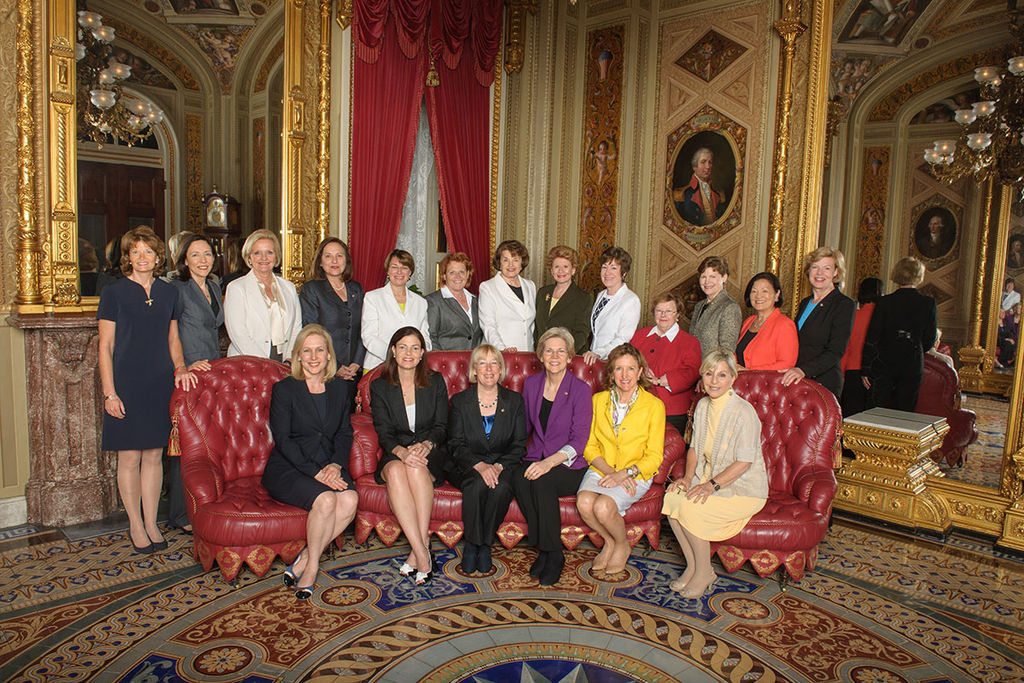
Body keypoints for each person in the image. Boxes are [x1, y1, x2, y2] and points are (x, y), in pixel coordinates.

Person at [97, 226, 199, 554]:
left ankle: (152, 520)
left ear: (158, 257)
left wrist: (181, 368)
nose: (143, 257)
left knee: (155, 455)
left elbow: (173, 338)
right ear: (128, 257)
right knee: (129, 457)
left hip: (159, 382)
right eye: (136, 252)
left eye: (148, 252)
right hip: (125, 383)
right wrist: (109, 393)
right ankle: (135, 524)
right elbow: (106, 345)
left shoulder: (170, 293)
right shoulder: (113, 292)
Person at [263, 325, 359, 599]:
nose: (314, 356)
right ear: (298, 356)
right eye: (307, 350)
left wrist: (336, 465)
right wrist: (317, 473)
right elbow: (283, 439)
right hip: (290, 466)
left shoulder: (341, 388)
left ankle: (305, 557)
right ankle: (313, 567)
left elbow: (344, 432)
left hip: (329, 462)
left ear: (329, 355)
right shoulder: (284, 389)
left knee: (350, 500)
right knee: (327, 500)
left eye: (320, 350)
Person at [662, 349, 767, 599]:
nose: (714, 381)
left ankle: (705, 573)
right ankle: (693, 566)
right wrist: (688, 479)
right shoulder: (702, 406)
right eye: (709, 374)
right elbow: (695, 448)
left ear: (732, 378)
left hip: (743, 490)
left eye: (722, 375)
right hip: (705, 479)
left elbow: (744, 462)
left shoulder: (743, 412)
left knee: (692, 507)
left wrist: (710, 486)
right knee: (673, 498)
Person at [576, 343, 665, 579]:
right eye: (619, 369)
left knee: (603, 507)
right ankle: (611, 542)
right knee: (584, 502)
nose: (625, 375)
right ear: (611, 373)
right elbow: (589, 445)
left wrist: (625, 473)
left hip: (635, 472)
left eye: (630, 369)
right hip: (601, 468)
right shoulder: (598, 400)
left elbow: (655, 456)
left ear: (640, 372)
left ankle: (622, 544)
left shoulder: (654, 406)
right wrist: (609, 472)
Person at [513, 328, 593, 586]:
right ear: (541, 355)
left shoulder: (580, 389)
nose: (555, 356)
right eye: (549, 350)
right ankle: (544, 549)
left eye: (561, 351)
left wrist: (547, 463)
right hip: (537, 455)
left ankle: (554, 553)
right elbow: (524, 426)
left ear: (570, 357)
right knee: (519, 478)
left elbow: (579, 442)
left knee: (541, 481)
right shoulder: (532, 384)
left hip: (568, 464)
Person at [370, 327, 448, 585]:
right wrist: (402, 452)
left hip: (430, 449)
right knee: (394, 470)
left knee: (415, 468)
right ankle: (423, 550)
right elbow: (383, 429)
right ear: (393, 350)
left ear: (423, 352)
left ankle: (418, 549)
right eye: (402, 347)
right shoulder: (380, 385)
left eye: (415, 347)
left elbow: (441, 425)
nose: (408, 353)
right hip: (396, 449)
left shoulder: (435, 381)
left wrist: (426, 445)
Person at [447, 345, 527, 575]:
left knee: (501, 488)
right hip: (468, 463)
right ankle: (473, 544)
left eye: (494, 363)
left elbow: (519, 444)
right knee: (475, 484)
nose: (489, 369)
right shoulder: (461, 401)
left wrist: (498, 466)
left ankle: (485, 544)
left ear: (501, 369)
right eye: (482, 363)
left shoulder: (514, 401)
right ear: (474, 370)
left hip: (504, 463)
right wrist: (480, 466)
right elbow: (455, 443)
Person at [169, 233, 223, 532]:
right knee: (186, 444)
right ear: (184, 260)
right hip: (189, 375)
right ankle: (180, 514)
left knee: (207, 443)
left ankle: (203, 505)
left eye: (207, 254)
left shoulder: (214, 287)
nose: (203, 260)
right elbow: (171, 332)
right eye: (195, 255)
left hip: (212, 373)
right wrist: (183, 366)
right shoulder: (177, 289)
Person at [862, 257, 937, 410]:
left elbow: (872, 338)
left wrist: (865, 369)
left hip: (884, 362)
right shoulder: (928, 303)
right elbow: (929, 340)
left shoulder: (884, 302)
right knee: (905, 412)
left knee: (878, 411)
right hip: (912, 363)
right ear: (919, 276)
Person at [780, 247, 856, 398]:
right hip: (797, 379)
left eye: (826, 268)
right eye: (815, 267)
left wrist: (803, 370)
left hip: (823, 383)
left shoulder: (843, 304)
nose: (819, 273)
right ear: (809, 271)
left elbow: (836, 350)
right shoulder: (805, 303)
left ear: (835, 272)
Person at [300, 237, 365, 407]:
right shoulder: (312, 290)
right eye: (328, 256)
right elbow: (311, 332)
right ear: (320, 262)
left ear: (346, 261)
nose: (334, 261)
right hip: (324, 372)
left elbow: (363, 329)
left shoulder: (356, 289)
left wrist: (356, 363)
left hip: (353, 372)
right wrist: (335, 367)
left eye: (339, 256)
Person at [224, 229, 302, 361]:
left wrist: (289, 358)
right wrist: (265, 364)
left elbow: (296, 327)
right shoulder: (236, 288)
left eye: (269, 252)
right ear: (249, 257)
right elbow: (239, 334)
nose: (263, 258)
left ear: (276, 256)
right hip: (248, 361)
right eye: (257, 253)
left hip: (284, 359)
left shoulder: (289, 287)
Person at [629, 293, 701, 436]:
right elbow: (626, 360)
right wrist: (640, 370)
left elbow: (691, 372)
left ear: (678, 314)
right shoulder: (639, 336)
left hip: (671, 409)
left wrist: (661, 381)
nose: (663, 315)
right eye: (659, 310)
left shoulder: (690, 342)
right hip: (637, 404)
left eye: (669, 311)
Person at [361, 250, 431, 369]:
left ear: (410, 272)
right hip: (378, 366)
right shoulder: (372, 297)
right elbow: (369, 337)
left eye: (404, 267)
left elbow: (425, 340)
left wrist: (415, 358)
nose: (399, 272)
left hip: (412, 367)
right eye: (394, 267)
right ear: (388, 271)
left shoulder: (421, 302)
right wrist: (395, 357)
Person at [583, 246, 641, 364]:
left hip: (614, 361)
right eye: (604, 267)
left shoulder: (631, 300)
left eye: (614, 268)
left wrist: (599, 353)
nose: (607, 272)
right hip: (595, 359)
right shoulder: (600, 295)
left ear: (623, 273)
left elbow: (623, 338)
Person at [479, 240, 536, 352]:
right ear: (499, 263)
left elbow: (531, 324)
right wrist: (502, 349)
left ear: (522, 262)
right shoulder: (487, 287)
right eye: (506, 260)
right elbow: (488, 325)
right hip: (499, 353)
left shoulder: (530, 286)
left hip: (528, 353)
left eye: (515, 260)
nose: (511, 265)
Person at [534, 246, 592, 354]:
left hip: (568, 357)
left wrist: (564, 353)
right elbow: (537, 329)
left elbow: (582, 333)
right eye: (556, 267)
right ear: (551, 270)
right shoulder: (542, 293)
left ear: (573, 270)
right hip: (542, 355)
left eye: (565, 266)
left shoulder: (583, 298)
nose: (561, 270)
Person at [736, 272, 799, 371]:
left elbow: (786, 364)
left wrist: (749, 370)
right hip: (743, 383)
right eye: (754, 291)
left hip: (768, 384)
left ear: (777, 295)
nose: (758, 296)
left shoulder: (785, 324)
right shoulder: (748, 322)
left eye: (764, 291)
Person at [840, 277, 883, 417]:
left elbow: (845, 348)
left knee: (850, 419)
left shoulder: (852, 316)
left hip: (851, 372)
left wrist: (841, 375)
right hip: (875, 374)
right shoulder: (883, 317)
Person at [425, 252, 483, 350]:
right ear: (444, 276)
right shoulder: (433, 302)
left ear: (468, 274)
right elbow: (431, 338)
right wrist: (442, 363)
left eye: (461, 272)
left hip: (474, 362)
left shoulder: (476, 300)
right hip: (447, 363)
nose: (457, 276)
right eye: (452, 272)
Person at [688, 256, 742, 354]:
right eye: (703, 276)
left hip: (713, 368)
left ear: (724, 278)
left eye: (713, 276)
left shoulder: (730, 307)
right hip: (694, 366)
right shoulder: (699, 306)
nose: (707, 282)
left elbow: (727, 350)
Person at [674, 147, 727, 226]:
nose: (708, 167)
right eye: (703, 162)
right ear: (694, 167)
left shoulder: (719, 194)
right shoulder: (681, 194)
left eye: (710, 162)